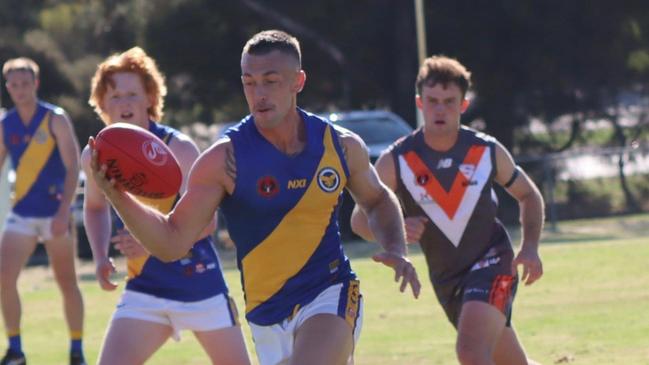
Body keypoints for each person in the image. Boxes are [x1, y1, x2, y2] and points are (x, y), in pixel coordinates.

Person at [88, 30, 421, 365]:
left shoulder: (339, 146)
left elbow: (377, 200)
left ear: (298, 81)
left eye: (270, 81)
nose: (258, 93)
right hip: (265, 313)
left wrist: (395, 247)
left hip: (330, 293)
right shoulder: (224, 160)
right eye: (250, 82)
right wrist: (116, 195)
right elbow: (172, 243)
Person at [351, 55, 544, 365]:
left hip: (493, 263)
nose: (440, 109)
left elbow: (529, 195)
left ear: (463, 105)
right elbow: (359, 219)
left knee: (469, 352)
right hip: (447, 279)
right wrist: (395, 229)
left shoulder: (486, 150)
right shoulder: (396, 160)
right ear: (420, 103)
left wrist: (531, 248)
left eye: (449, 101)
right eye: (433, 101)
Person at [83, 47, 250, 365]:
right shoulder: (93, 156)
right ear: (102, 104)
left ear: (150, 97)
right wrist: (101, 255)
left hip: (199, 285)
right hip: (145, 289)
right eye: (115, 96)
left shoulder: (180, 149)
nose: (124, 103)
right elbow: (93, 208)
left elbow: (208, 224)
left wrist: (147, 244)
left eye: (132, 93)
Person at [0, 58, 86, 365]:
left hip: (55, 212)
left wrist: (64, 211)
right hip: (22, 212)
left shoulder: (55, 118)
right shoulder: (6, 123)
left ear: (35, 84)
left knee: (67, 282)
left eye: (25, 83)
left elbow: (73, 164)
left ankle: (77, 350)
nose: (19, 89)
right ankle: (16, 350)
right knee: (4, 278)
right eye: (13, 84)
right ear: (7, 86)